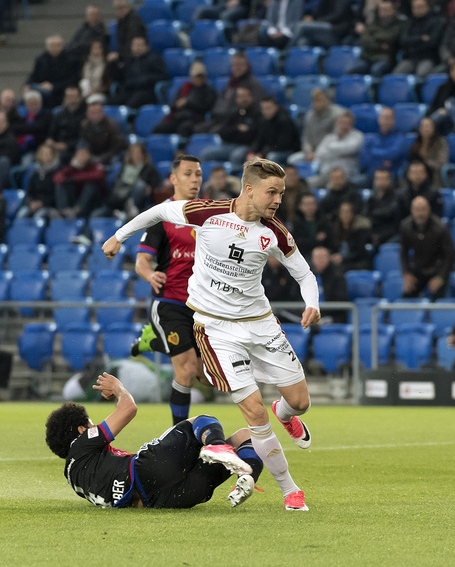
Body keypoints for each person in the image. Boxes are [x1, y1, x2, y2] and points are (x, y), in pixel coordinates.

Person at [103, 158, 321, 512]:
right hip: (217, 329)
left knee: (300, 402)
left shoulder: (275, 231)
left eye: (281, 192)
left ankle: (285, 413)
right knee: (254, 413)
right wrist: (118, 236)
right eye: (272, 192)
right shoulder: (207, 213)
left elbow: (305, 274)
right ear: (248, 188)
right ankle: (290, 490)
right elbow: (158, 211)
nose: (278, 199)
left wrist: (312, 302)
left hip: (261, 324)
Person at [45, 373, 263, 509]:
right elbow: (128, 409)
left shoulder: (72, 478)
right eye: (91, 424)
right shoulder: (82, 444)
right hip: (148, 470)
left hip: (162, 501)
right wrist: (119, 389)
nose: (95, 428)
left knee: (245, 436)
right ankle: (217, 445)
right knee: (201, 421)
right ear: (81, 430)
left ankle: (246, 479)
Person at [130, 155, 204, 425]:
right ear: (173, 179)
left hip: (202, 306)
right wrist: (150, 275)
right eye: (188, 174)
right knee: (185, 370)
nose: (195, 179)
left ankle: (156, 342)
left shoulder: (208, 213)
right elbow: (141, 261)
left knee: (206, 376)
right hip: (170, 303)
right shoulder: (161, 215)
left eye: (198, 173)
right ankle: (179, 435)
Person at [399, 195, 455, 300]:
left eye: (423, 210)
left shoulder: (440, 228)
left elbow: (450, 255)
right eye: (417, 210)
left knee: (438, 297)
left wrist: (440, 277)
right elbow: (403, 252)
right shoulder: (405, 226)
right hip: (419, 269)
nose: (420, 214)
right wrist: (406, 273)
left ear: (429, 210)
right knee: (406, 296)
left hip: (438, 269)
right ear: (412, 210)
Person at [94, 142, 160, 218]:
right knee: (95, 215)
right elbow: (115, 186)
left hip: (137, 203)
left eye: (138, 152)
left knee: (140, 185)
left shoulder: (149, 168)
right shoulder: (123, 168)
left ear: (143, 154)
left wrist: (151, 189)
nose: (136, 155)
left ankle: (128, 211)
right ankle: (123, 213)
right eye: (134, 152)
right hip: (118, 201)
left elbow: (155, 186)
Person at [153, 62, 217, 138]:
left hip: (195, 119)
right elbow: (173, 104)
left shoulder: (209, 91)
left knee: (184, 128)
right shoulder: (184, 89)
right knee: (159, 129)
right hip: (179, 116)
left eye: (201, 76)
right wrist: (178, 104)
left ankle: (182, 149)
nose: (199, 79)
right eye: (197, 76)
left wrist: (188, 103)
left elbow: (206, 107)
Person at [199, 86, 259, 166]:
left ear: (250, 97)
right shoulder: (234, 114)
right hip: (229, 146)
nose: (242, 99)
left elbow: (252, 135)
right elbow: (222, 132)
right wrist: (237, 128)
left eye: (244, 96)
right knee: (205, 154)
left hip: (246, 147)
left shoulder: (257, 114)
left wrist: (235, 133)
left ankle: (235, 178)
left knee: (236, 156)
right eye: (239, 97)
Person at [288, 88, 343, 168]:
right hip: (311, 153)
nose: (317, 103)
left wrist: (318, 153)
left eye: (320, 100)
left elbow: (335, 138)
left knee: (316, 164)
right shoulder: (309, 115)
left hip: (328, 153)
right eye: (315, 100)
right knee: (292, 161)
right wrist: (308, 151)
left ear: (327, 99)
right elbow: (306, 137)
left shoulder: (337, 114)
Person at [109, 36, 166, 109]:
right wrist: (113, 64)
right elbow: (120, 78)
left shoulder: (154, 59)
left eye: (140, 45)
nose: (137, 48)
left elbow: (163, 76)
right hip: (129, 90)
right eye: (135, 45)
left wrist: (147, 79)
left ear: (146, 46)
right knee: (111, 103)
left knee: (131, 103)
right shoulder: (129, 61)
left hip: (146, 90)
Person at [395, 0, 445, 77]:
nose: (418, 9)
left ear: (427, 7)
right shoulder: (409, 22)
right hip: (410, 58)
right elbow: (403, 40)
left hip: (428, 58)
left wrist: (412, 43)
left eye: (420, 6)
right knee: (396, 76)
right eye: (415, 7)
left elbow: (433, 42)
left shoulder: (435, 22)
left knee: (421, 75)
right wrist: (421, 38)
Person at [351, 0, 402, 77]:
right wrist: (380, 44)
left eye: (387, 9)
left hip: (386, 58)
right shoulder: (373, 23)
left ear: (393, 11)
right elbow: (365, 40)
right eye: (382, 9)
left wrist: (375, 38)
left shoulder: (399, 25)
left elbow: (391, 38)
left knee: (376, 69)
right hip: (369, 57)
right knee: (350, 72)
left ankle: (375, 89)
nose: (384, 11)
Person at [25, 35, 78, 108]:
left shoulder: (69, 60)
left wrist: (53, 86)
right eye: (52, 45)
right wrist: (27, 84)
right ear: (47, 47)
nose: (55, 48)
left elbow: (72, 79)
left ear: (62, 46)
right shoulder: (41, 59)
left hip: (61, 91)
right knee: (30, 91)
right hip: (42, 89)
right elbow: (34, 75)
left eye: (58, 45)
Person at [54, 146, 106, 218]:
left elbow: (99, 175)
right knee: (61, 185)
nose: (82, 156)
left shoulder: (95, 164)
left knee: (90, 185)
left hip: (94, 201)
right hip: (75, 198)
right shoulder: (72, 166)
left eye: (84, 153)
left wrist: (75, 178)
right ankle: (63, 211)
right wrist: (70, 170)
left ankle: (77, 210)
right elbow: (57, 178)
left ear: (89, 155)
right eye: (80, 153)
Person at [247, 96, 301, 165]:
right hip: (271, 150)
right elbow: (259, 139)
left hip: (289, 151)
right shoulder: (263, 121)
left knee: (271, 157)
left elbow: (283, 144)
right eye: (263, 109)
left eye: (268, 108)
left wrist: (263, 154)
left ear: (276, 107)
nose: (266, 111)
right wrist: (251, 152)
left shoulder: (284, 120)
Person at [314, 111, 364, 184]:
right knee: (308, 183)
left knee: (332, 186)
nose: (343, 126)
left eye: (346, 123)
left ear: (351, 125)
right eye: (340, 122)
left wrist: (330, 148)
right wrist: (340, 153)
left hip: (345, 176)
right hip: (325, 174)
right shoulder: (329, 137)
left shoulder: (357, 136)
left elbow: (350, 148)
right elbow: (319, 154)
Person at [79, 94, 128, 164]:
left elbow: (116, 147)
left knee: (115, 161)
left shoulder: (112, 125)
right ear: (87, 114)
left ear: (102, 113)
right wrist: (85, 154)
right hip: (92, 155)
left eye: (98, 112)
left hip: (110, 154)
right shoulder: (84, 125)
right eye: (93, 113)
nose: (96, 115)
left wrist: (102, 158)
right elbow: (83, 142)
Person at [16, 144, 60, 219]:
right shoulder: (35, 172)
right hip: (33, 204)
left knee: (38, 216)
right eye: (43, 153)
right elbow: (29, 192)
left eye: (48, 153)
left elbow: (56, 195)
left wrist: (42, 203)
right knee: (21, 214)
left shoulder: (57, 172)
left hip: (48, 206)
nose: (45, 155)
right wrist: (30, 203)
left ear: (53, 155)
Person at [359, 106, 406, 175]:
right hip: (372, 175)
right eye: (383, 118)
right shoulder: (371, 139)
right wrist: (382, 161)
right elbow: (364, 158)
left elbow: (393, 153)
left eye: (388, 118)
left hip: (392, 176)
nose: (386, 121)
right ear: (379, 120)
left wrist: (374, 154)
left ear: (393, 120)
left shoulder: (399, 138)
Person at [45, 85, 86, 164]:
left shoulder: (84, 115)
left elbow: (84, 138)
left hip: (75, 148)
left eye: (73, 96)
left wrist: (67, 145)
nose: (70, 100)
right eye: (68, 97)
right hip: (58, 146)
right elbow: (51, 133)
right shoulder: (59, 115)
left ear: (79, 98)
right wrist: (50, 140)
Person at [328, 201, 373, 271]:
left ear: (353, 214)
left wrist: (343, 258)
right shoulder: (335, 229)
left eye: (347, 212)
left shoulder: (360, 230)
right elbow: (332, 247)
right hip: (340, 261)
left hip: (356, 263)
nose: (345, 215)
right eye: (342, 212)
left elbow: (359, 252)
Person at [309, 245, 349, 323]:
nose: (320, 260)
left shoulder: (337, 276)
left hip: (329, 315)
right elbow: (295, 296)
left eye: (323, 257)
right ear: (312, 259)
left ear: (329, 258)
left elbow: (340, 299)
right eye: (317, 257)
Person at [365, 168, 403, 246]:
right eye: (378, 178)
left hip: (392, 233)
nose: (381, 181)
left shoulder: (397, 196)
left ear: (389, 180)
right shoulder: (372, 198)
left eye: (383, 178)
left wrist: (374, 213)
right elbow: (366, 215)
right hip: (375, 232)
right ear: (374, 180)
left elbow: (391, 214)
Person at [407, 117, 449, 186]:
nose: (426, 129)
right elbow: (411, 160)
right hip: (415, 174)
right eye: (423, 126)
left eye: (428, 126)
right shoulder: (416, 143)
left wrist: (426, 162)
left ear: (434, 128)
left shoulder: (441, 143)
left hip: (434, 173)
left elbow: (442, 163)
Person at [289, 192, 329, 256]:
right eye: (307, 204)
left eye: (312, 204)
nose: (310, 207)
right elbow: (297, 243)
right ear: (300, 206)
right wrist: (316, 240)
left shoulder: (323, 221)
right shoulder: (295, 224)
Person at [110, 0, 147, 64]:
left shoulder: (134, 21)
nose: (118, 11)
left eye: (120, 8)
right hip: (125, 56)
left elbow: (131, 44)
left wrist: (119, 56)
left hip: (134, 58)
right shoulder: (121, 21)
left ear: (128, 7)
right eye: (116, 8)